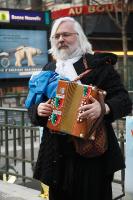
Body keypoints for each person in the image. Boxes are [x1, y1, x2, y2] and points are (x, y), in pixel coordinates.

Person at [27, 17, 132, 200]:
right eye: (56, 36)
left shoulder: (98, 66)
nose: (61, 39)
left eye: (66, 34)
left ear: (79, 37)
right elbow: (33, 107)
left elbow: (124, 100)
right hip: (56, 156)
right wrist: (38, 110)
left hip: (91, 156)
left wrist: (104, 108)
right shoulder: (49, 68)